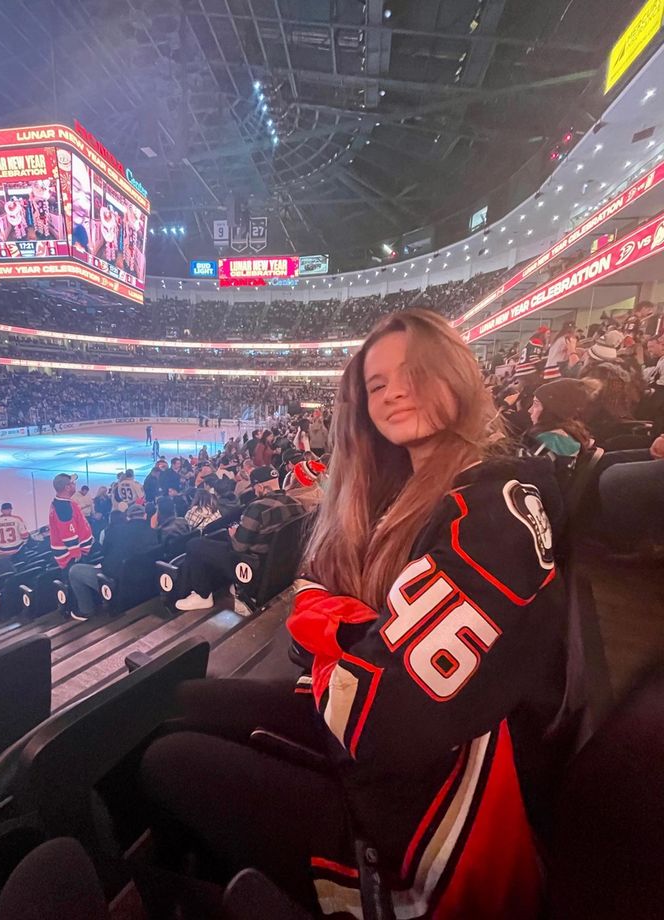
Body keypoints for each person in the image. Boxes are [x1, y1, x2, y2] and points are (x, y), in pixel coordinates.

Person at [140, 309, 570, 919]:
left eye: (414, 372)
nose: (394, 391)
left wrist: (329, 628)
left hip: (429, 817)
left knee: (168, 759)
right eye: (376, 383)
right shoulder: (404, 492)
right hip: (382, 748)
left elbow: (380, 715)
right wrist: (349, 633)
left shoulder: (496, 506)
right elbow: (320, 594)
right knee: (180, 702)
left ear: (458, 374)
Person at [173, 465, 303, 611]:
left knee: (195, 544)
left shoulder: (257, 508)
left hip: (253, 568)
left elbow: (238, 547)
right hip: (278, 567)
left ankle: (202, 595)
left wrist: (233, 534)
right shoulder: (297, 504)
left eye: (255, 488)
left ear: (259, 486)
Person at [67, 504, 159, 621]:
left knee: (74, 570)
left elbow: (104, 553)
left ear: (128, 517)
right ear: (145, 516)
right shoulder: (154, 532)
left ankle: (86, 610)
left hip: (117, 584)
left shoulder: (113, 531)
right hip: (145, 585)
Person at [49, 473, 93, 569]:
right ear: (67, 487)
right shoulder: (63, 507)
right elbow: (67, 534)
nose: (75, 485)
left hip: (76, 555)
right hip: (72, 559)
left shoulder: (64, 502)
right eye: (73, 483)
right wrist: (76, 554)